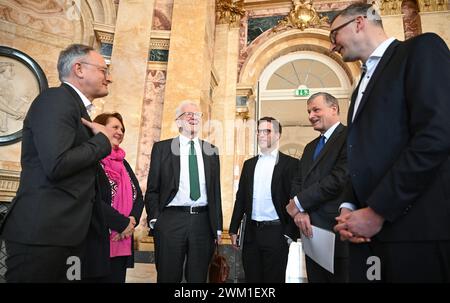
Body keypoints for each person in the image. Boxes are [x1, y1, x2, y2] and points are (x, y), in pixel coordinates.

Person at [330, 3, 450, 282]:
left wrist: (379, 210)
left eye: (333, 34)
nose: (332, 45)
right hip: (366, 238)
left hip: (416, 236)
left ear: (359, 23)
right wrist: (348, 206)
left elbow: (437, 134)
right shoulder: (360, 85)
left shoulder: (420, 50)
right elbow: (361, 155)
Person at [0, 44, 113, 282]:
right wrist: (102, 142)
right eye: (103, 70)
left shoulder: (74, 107)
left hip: (66, 235)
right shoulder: (56, 99)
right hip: (43, 236)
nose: (108, 78)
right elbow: (57, 163)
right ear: (79, 69)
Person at [144, 101, 223, 283]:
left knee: (198, 278)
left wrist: (217, 225)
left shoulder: (211, 151)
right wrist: (156, 219)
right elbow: (153, 188)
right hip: (171, 221)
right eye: (187, 114)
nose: (193, 117)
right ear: (178, 122)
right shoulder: (162, 148)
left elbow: (215, 193)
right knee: (168, 276)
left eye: (197, 115)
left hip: (203, 222)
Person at [286, 92, 349, 283]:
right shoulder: (310, 147)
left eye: (316, 109)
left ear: (334, 109)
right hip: (310, 233)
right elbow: (298, 181)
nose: (311, 116)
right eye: (309, 111)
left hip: (337, 233)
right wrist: (299, 212)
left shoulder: (350, 136)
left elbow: (339, 178)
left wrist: (298, 202)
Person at [229, 117, 299, 283]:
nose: (261, 135)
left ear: (277, 135)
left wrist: (289, 233)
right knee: (252, 280)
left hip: (276, 233)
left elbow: (295, 199)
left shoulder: (291, 164)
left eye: (267, 131)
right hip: (251, 233)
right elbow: (241, 198)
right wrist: (233, 228)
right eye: (259, 131)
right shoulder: (249, 164)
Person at [81, 112, 144, 283]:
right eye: (115, 127)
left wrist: (131, 221)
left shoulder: (124, 163)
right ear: (99, 127)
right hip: (95, 242)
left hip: (121, 242)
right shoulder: (91, 158)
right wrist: (121, 224)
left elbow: (138, 196)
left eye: (122, 129)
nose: (120, 132)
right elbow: (90, 198)